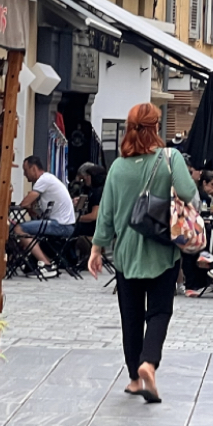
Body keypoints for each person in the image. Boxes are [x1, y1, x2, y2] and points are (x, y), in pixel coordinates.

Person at [87, 103, 198, 403]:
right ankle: (149, 362)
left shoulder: (118, 167)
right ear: (156, 127)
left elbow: (106, 214)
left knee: (131, 317)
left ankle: (135, 378)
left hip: (125, 254)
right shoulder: (169, 158)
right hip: (162, 250)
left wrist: (96, 249)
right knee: (160, 311)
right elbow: (189, 193)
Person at [12, 155, 77, 278]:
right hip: (64, 224)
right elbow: (35, 211)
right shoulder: (48, 180)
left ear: (33, 168)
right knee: (27, 231)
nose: (25, 175)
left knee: (18, 229)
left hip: (61, 225)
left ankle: (46, 265)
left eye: (25, 171)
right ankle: (44, 262)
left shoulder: (44, 180)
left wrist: (24, 204)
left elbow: (24, 203)